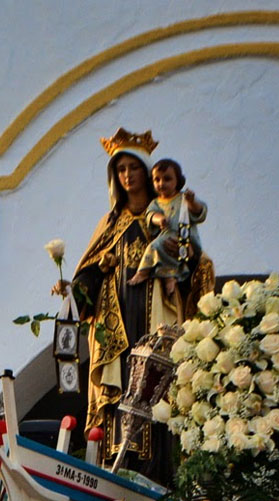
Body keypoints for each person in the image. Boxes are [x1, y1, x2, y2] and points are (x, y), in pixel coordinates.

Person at [64, 129, 213, 480]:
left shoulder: (167, 213)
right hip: (116, 326)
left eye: (133, 167)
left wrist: (187, 261)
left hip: (158, 314)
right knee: (120, 390)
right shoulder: (110, 223)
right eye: (121, 169)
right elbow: (85, 278)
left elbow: (192, 260)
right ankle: (116, 469)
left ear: (148, 172)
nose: (127, 175)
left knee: (157, 387)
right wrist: (82, 284)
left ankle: (158, 473)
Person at [127, 159, 206, 314]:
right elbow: (150, 215)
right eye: (157, 179)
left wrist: (191, 202)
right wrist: (160, 219)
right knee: (156, 247)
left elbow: (199, 212)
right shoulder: (156, 203)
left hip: (183, 236)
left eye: (167, 179)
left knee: (169, 251)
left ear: (178, 181)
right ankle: (147, 273)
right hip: (166, 235)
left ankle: (169, 277)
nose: (161, 183)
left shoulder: (183, 199)